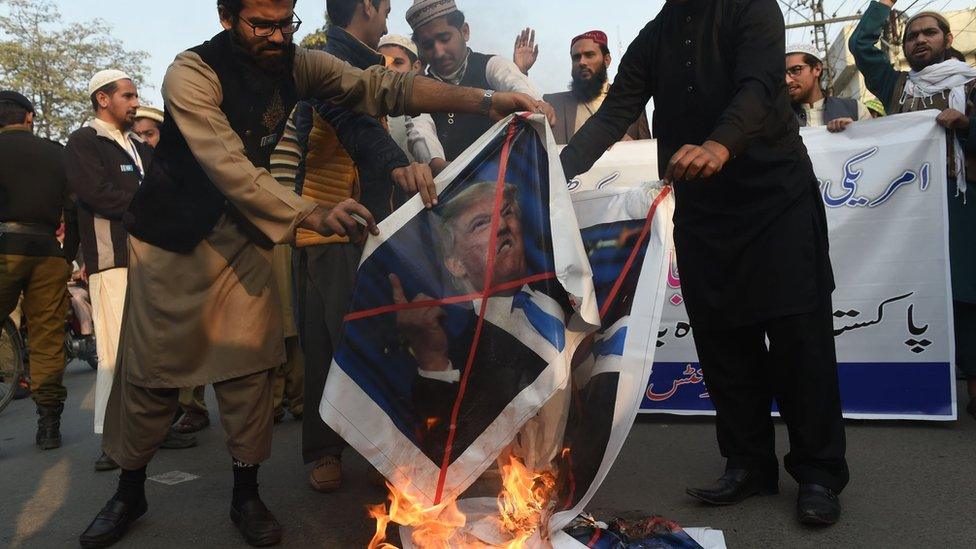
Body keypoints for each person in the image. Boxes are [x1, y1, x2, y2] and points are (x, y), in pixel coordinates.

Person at [78, 0, 548, 546]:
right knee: (151, 379)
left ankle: (246, 495)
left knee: (251, 374)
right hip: (171, 241)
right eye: (261, 25)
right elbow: (227, 162)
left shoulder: (299, 64)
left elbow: (382, 89)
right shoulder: (191, 73)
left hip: (244, 238)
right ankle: (129, 492)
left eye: (286, 23)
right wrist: (309, 212)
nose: (277, 37)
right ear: (226, 18)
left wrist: (486, 99)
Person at [560, 0, 849, 526]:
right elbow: (614, 112)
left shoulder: (752, 9)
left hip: (773, 195)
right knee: (721, 340)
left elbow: (760, 87)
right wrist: (553, 178)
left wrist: (720, 144)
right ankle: (748, 464)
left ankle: (819, 473)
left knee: (798, 338)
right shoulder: (656, 34)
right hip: (703, 205)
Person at [270, 0, 438, 496]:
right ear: (366, 5)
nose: (387, 19)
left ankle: (376, 449)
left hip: (366, 228)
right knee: (331, 345)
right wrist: (394, 163)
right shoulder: (325, 55)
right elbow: (351, 123)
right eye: (385, 7)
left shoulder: (357, 58)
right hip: (328, 228)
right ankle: (325, 451)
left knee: (374, 340)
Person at [851, 0, 976, 420]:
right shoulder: (898, 87)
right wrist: (880, 7)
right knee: (914, 289)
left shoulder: (972, 84)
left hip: (961, 203)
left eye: (929, 33)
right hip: (910, 210)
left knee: (965, 294)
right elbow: (862, 46)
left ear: (948, 39)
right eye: (911, 36)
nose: (920, 40)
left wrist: (965, 125)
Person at [392, 181, 568, 469]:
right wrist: (433, 361)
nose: (502, 226)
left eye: (507, 212)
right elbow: (440, 445)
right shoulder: (453, 342)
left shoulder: (561, 297)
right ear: (455, 263)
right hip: (513, 489)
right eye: (481, 224)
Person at [64, 71, 153, 473]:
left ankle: (149, 429)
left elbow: (162, 190)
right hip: (111, 259)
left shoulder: (136, 143)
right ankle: (109, 437)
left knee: (149, 347)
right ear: (102, 99)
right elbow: (96, 193)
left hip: (150, 259)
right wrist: (148, 207)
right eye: (128, 96)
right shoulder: (84, 141)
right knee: (115, 352)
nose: (136, 103)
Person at [0, 90, 78, 450]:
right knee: (47, 338)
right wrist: (69, 254)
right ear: (29, 117)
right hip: (48, 251)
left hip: (5, 250)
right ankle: (49, 425)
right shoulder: (56, 153)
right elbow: (74, 210)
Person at [406, 0, 550, 171]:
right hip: (452, 188)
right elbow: (421, 135)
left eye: (445, 39)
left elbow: (518, 85)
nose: (439, 52)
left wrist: (536, 107)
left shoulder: (492, 65)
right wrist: (447, 171)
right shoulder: (419, 91)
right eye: (428, 45)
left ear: (464, 31)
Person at [544, 30, 650, 145]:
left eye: (589, 55)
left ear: (607, 60)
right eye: (576, 57)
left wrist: (632, 147)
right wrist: (522, 72)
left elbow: (650, 153)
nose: (582, 62)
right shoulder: (553, 104)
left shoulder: (631, 101)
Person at [378, 33, 441, 165]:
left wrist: (435, 166)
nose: (389, 69)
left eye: (398, 62)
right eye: (382, 63)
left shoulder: (425, 104)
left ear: (415, 67)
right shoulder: (369, 107)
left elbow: (420, 131)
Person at [785, 43, 869, 133]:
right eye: (783, 74)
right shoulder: (776, 118)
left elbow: (873, 143)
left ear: (817, 69)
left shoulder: (856, 109)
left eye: (796, 70)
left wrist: (855, 130)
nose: (787, 80)